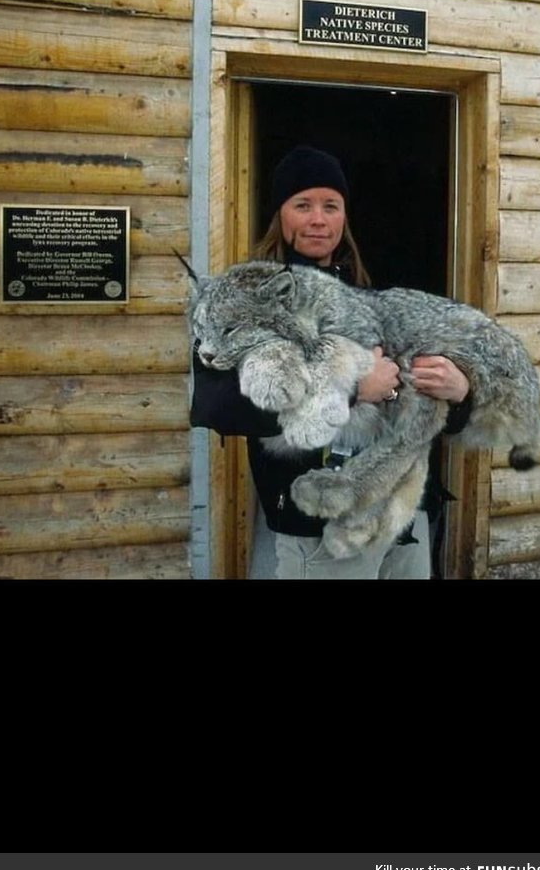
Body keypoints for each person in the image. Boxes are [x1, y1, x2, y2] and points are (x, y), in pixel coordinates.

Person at [190, 145, 472, 579]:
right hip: (320, 528)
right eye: (302, 205)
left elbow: (415, 398)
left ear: (344, 216)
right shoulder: (242, 302)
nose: (318, 219)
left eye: (331, 206)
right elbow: (218, 406)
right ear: (280, 215)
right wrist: (355, 389)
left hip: (402, 518)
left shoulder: (370, 296)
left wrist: (460, 393)